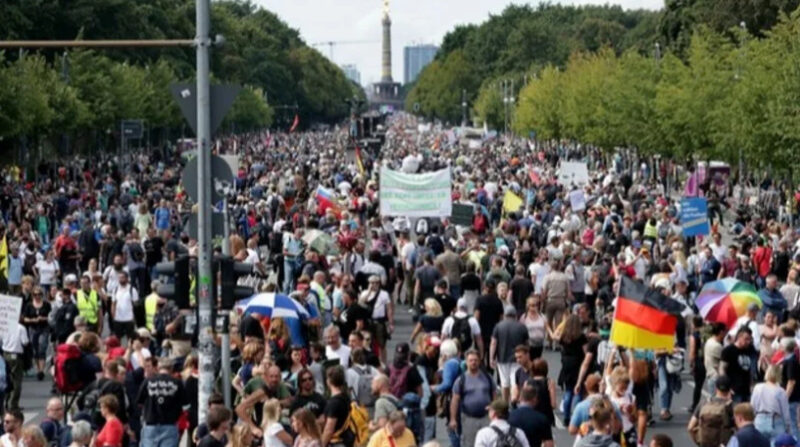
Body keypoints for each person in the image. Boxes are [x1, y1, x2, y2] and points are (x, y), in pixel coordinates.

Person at [136, 357, 188, 447]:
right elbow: (185, 405)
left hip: (150, 424)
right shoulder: (177, 383)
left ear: (158, 368)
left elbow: (139, 402)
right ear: (171, 368)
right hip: (170, 424)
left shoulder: (148, 381)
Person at [450, 349, 496, 447]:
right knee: (469, 444)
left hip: (486, 418)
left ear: (479, 361)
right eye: (470, 360)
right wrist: (453, 419)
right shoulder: (461, 380)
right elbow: (455, 401)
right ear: (466, 362)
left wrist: (496, 413)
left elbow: (494, 396)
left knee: (488, 443)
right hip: (468, 419)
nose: (473, 362)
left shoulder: (487, 377)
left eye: (475, 360)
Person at [490, 305, 529, 402]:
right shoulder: (522, 327)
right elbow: (527, 344)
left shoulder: (498, 326)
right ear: (515, 315)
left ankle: (505, 403)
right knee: (515, 382)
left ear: (504, 315)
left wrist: (491, 357)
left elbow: (494, 343)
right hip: (517, 358)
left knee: (504, 383)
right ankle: (514, 400)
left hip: (502, 358)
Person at [688, 375, 735, 447]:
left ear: (716, 388)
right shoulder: (731, 406)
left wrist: (698, 442)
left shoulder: (704, 403)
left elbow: (690, 427)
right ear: (730, 389)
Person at [750, 365, 791, 443]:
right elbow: (785, 412)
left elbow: (752, 406)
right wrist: (787, 427)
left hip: (760, 419)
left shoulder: (757, 388)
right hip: (776, 421)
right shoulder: (781, 391)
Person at [720, 327, 757, 403]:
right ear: (739, 337)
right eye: (746, 339)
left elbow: (751, 370)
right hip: (734, 390)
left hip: (746, 390)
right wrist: (726, 387)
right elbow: (722, 369)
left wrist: (752, 384)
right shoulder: (729, 350)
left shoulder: (750, 350)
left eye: (750, 339)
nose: (748, 342)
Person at [22, 286, 51, 381]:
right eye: (35, 294)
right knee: (34, 350)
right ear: (32, 295)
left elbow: (51, 317)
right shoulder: (29, 305)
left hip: (43, 328)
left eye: (39, 294)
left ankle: (41, 370)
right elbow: (25, 318)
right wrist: (33, 320)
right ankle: (38, 369)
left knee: (42, 347)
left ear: (42, 295)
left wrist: (44, 318)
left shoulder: (46, 304)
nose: (37, 296)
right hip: (33, 328)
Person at [321, 365, 354, 447]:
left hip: (337, 442)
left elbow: (329, 429)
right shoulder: (346, 397)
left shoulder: (334, 403)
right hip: (348, 440)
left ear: (328, 381)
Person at [3, 317, 27, 411]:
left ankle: (6, 401)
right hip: (15, 355)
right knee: (16, 380)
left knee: (7, 379)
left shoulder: (5, 328)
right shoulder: (21, 328)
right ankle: (13, 404)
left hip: (5, 354)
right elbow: (25, 342)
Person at [110, 270, 139, 340]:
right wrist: (113, 316)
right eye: (119, 278)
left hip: (129, 319)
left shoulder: (132, 290)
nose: (121, 279)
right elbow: (113, 303)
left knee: (130, 339)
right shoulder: (115, 290)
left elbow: (136, 305)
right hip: (118, 319)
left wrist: (134, 318)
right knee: (117, 339)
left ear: (127, 278)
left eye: (122, 277)